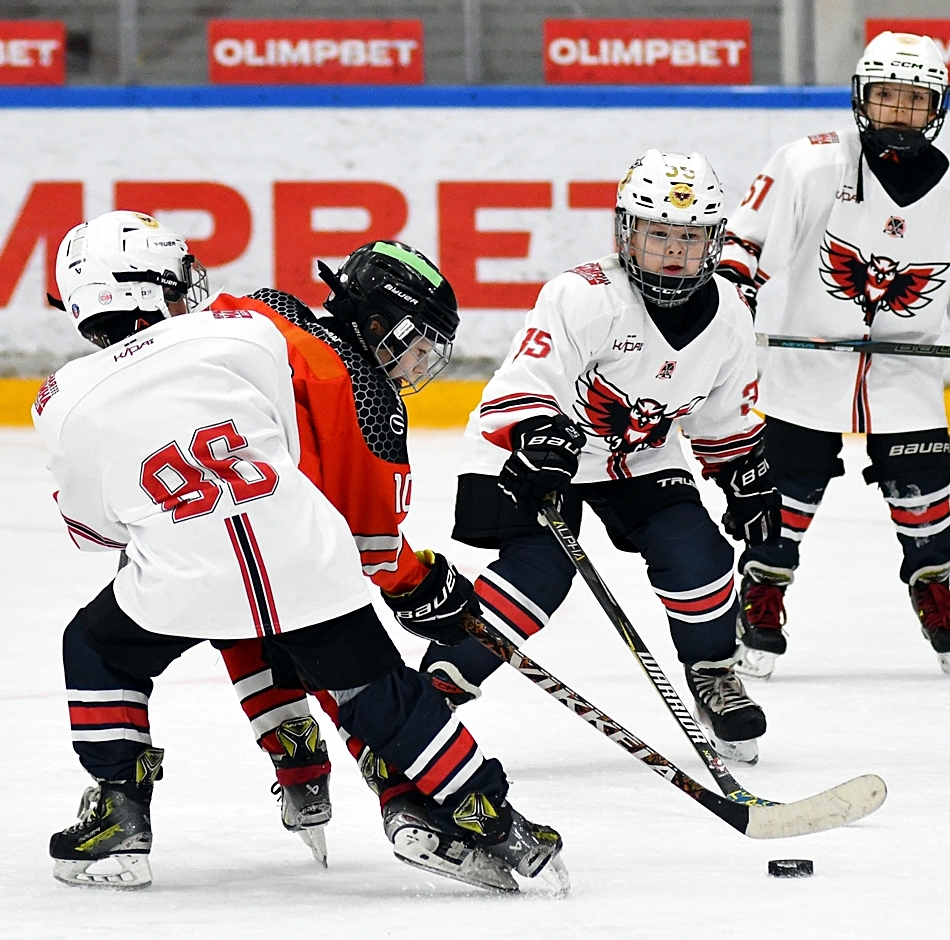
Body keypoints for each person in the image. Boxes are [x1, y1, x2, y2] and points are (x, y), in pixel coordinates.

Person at [37, 212, 563, 892]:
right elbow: (298, 453)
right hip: (302, 559)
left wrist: (166, 520)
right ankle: (493, 816)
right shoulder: (242, 330)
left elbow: (93, 528)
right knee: (381, 692)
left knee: (96, 648)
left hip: (182, 578)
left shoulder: (60, 399)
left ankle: (121, 808)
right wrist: (413, 580)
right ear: (150, 286)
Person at [717, 31, 950, 680]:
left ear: (936, 107)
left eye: (914, 100)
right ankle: (763, 591)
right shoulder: (807, 164)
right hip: (808, 359)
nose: (899, 112)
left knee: (922, 488)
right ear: (862, 98)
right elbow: (741, 244)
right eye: (886, 97)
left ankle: (930, 586)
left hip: (904, 370)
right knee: (787, 485)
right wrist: (726, 297)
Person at [418, 150, 781, 766]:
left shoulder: (730, 319)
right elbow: (525, 380)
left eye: (689, 238)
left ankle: (713, 673)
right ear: (625, 232)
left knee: (695, 549)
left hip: (637, 456)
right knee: (539, 573)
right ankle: (436, 687)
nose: (672, 251)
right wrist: (537, 433)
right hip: (534, 451)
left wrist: (745, 479)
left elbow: (723, 421)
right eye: (657, 232)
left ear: (715, 242)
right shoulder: (583, 296)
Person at [206, 241, 498, 875]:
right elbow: (369, 544)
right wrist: (422, 587)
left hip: (196, 526)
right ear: (376, 323)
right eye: (417, 343)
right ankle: (404, 798)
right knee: (348, 663)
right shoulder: (366, 394)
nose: (421, 362)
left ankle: (298, 764)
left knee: (238, 622)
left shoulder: (260, 310)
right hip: (289, 559)